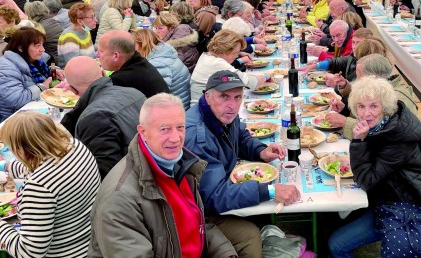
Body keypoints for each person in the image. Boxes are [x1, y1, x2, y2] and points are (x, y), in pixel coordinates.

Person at [88, 93, 236, 258]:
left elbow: (198, 222)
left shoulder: (181, 164)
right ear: (143, 132)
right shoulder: (119, 200)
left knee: (249, 237)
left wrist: (226, 253)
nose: (175, 138)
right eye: (164, 129)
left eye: (180, 127)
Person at [185, 71, 301, 257]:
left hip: (220, 185)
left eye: (237, 97)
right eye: (224, 96)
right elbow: (214, 197)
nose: (231, 105)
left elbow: (240, 136)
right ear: (207, 96)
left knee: (259, 211)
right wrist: (269, 191)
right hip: (197, 212)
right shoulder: (198, 137)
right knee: (250, 235)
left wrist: (260, 151)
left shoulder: (220, 113)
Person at [328, 76, 421, 257]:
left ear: (385, 106)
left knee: (336, 245)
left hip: (398, 206)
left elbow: (366, 180)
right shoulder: (384, 126)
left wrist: (358, 142)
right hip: (383, 194)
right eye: (361, 106)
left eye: (374, 106)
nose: (366, 114)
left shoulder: (397, 140)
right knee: (333, 216)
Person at [0, 112, 100, 257]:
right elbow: (42, 164)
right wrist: (6, 166)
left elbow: (29, 252)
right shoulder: (75, 147)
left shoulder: (39, 187)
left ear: (19, 150)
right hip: (90, 241)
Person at [60, 56, 146, 179]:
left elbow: (104, 174)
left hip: (131, 186)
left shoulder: (94, 117)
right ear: (103, 73)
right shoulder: (134, 92)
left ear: (72, 90)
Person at [328, 54, 419, 140]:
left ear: (374, 77)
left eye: (359, 77)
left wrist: (345, 123)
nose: (357, 80)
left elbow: (383, 135)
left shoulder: (395, 99)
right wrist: (345, 109)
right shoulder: (382, 90)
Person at [189, 30, 267, 105]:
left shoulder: (206, 56)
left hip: (206, 105)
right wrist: (268, 75)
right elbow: (251, 83)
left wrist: (238, 53)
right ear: (226, 50)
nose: (236, 56)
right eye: (235, 53)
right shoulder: (217, 63)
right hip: (204, 112)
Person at [0, 27, 59, 121]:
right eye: (37, 46)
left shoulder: (34, 60)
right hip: (13, 119)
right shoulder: (6, 68)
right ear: (21, 48)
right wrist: (43, 86)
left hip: (31, 112)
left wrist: (54, 71)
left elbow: (40, 72)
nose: (42, 49)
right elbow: (17, 100)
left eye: (42, 45)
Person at [97, 30, 170, 98]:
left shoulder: (120, 81)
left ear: (116, 56)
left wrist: (101, 82)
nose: (97, 55)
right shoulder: (141, 64)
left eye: (101, 51)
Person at [132, 29, 191, 109]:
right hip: (179, 102)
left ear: (142, 44)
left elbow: (158, 95)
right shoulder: (162, 53)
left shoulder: (158, 63)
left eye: (133, 45)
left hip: (175, 110)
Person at [57, 3, 97, 68]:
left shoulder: (86, 31)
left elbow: (91, 54)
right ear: (80, 21)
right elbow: (75, 66)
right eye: (92, 17)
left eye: (94, 16)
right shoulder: (69, 38)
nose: (95, 20)